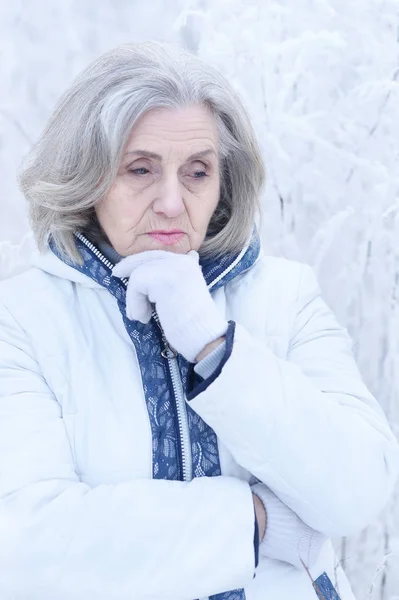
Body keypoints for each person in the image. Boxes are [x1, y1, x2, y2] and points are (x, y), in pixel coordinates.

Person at [0, 41, 398, 600]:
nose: (170, 201)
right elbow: (25, 550)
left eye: (197, 171)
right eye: (140, 169)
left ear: (223, 182)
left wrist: (215, 348)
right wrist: (253, 522)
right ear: (87, 178)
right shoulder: (21, 320)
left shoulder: (285, 296)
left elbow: (357, 488)